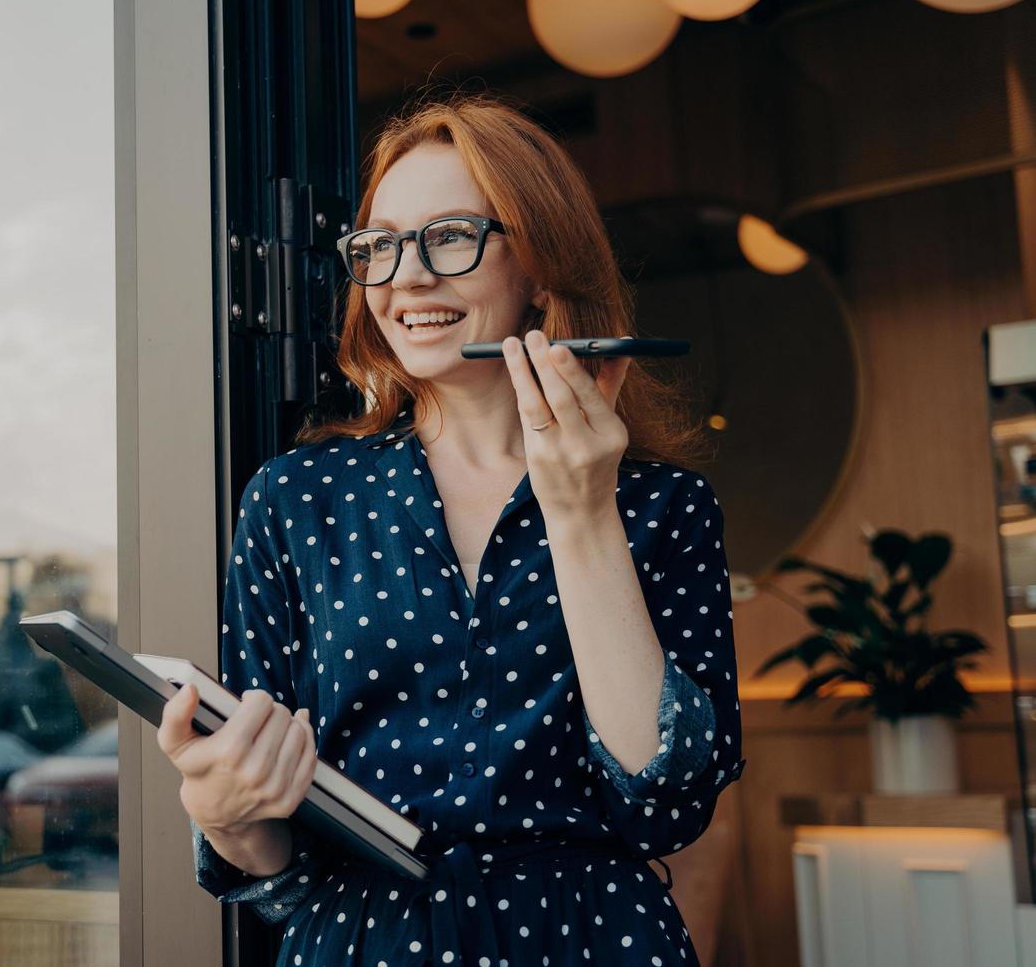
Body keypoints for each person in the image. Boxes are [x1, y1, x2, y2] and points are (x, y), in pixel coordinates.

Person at [156, 92, 748, 967]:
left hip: (592, 942)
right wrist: (227, 816)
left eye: (450, 238)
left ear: (542, 268)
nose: (407, 277)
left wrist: (583, 510)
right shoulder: (296, 497)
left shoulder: (664, 507)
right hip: (362, 944)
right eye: (382, 245)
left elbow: (662, 803)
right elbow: (273, 867)